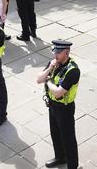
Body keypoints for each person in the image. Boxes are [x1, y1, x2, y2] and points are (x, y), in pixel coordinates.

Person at [36, 40, 80, 169]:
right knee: (55, 133)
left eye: (58, 52)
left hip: (65, 109)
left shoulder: (73, 71)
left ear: (66, 53)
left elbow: (58, 93)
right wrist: (50, 68)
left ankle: (72, 165)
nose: (55, 55)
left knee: (68, 138)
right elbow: (38, 79)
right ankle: (60, 157)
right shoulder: (54, 63)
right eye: (55, 51)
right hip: (52, 106)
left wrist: (48, 82)